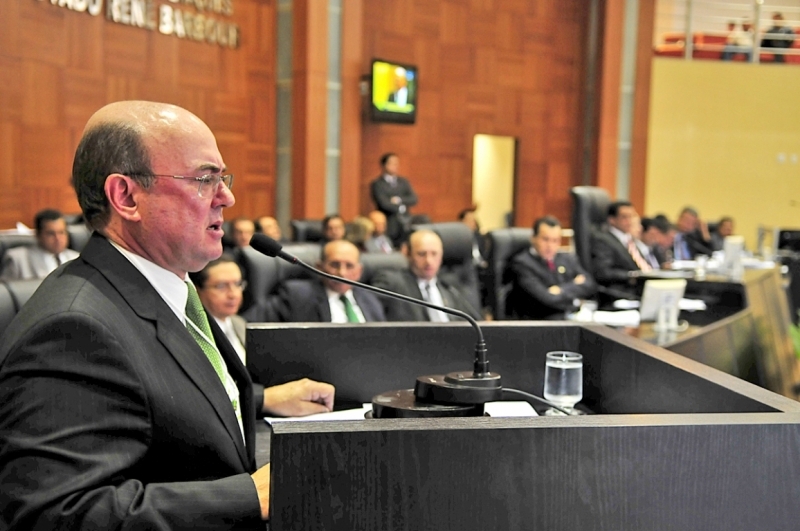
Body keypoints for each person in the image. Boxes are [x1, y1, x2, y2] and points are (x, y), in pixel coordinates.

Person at [0, 100, 335, 528]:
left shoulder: (160, 287)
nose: (227, 197)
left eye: (222, 178)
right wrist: (248, 495)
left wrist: (263, 399)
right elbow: (55, 514)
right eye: (204, 179)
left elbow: (158, 399)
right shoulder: (72, 331)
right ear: (126, 196)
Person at [371, 229, 481, 322]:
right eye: (421, 254)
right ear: (407, 254)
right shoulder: (392, 282)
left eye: (434, 254)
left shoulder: (449, 287)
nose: (429, 261)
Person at [506, 216, 596, 320]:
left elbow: (590, 285)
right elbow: (547, 299)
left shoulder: (567, 258)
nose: (550, 245)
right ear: (533, 238)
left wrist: (560, 289)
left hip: (571, 317)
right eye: (545, 239)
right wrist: (575, 294)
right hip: (541, 322)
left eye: (555, 240)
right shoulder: (522, 263)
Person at [276, 240, 385, 323]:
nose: (342, 273)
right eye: (335, 265)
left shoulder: (370, 299)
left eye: (349, 266)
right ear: (319, 267)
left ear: (359, 272)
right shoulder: (296, 295)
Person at [190, 254, 248, 364]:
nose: (233, 294)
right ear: (197, 290)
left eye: (237, 284)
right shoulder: (194, 332)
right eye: (221, 286)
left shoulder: (240, 323)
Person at [590, 201, 650, 300]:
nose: (630, 221)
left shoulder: (629, 240)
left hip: (641, 289)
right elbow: (603, 272)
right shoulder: (603, 240)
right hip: (621, 293)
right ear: (612, 220)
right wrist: (633, 275)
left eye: (632, 216)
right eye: (625, 217)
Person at [0, 209, 80, 280]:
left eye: (61, 232)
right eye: (51, 234)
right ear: (38, 235)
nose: (58, 239)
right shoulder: (17, 260)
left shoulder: (77, 258)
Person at [370, 153, 418, 246]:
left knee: (420, 222)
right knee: (394, 223)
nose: (395, 166)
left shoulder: (403, 181)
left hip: (406, 217)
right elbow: (384, 203)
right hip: (389, 218)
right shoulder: (377, 184)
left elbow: (413, 199)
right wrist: (400, 207)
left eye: (396, 163)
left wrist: (398, 200)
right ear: (384, 165)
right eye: (392, 163)